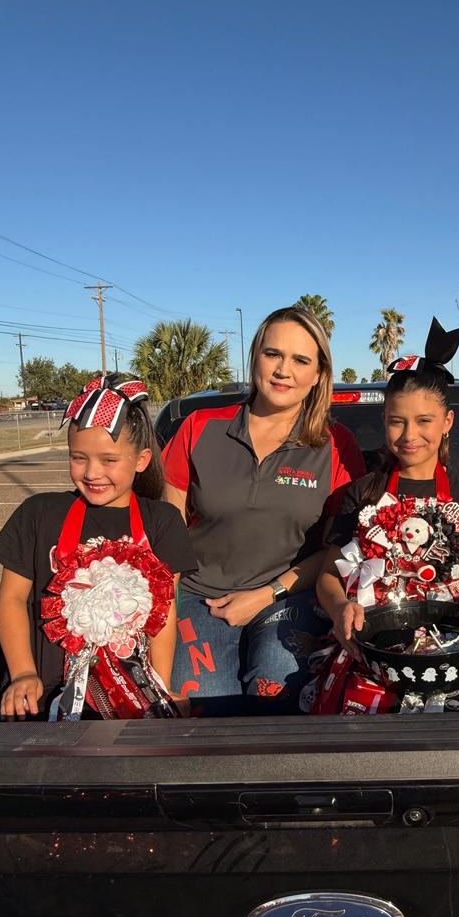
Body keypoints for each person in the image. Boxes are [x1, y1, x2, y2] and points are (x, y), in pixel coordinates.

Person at [161, 305, 365, 715]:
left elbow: (338, 551)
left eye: (300, 360)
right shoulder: (199, 428)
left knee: (276, 697)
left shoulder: (337, 446)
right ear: (255, 355)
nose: (282, 370)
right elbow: (167, 538)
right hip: (200, 599)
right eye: (273, 354)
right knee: (203, 713)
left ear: (319, 374)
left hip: (291, 597)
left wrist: (264, 595)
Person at [316, 318, 459, 711]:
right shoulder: (361, 492)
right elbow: (327, 575)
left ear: (447, 422)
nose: (409, 435)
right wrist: (340, 609)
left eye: (424, 421)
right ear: (384, 421)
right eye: (397, 421)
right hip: (372, 660)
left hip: (457, 656)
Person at [0, 374, 197, 720]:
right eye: (78, 458)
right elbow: (10, 598)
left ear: (141, 460)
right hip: (47, 695)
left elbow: (165, 611)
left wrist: (159, 684)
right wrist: (23, 673)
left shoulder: (162, 521)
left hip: (130, 698)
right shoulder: (38, 514)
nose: (92, 472)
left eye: (109, 460)